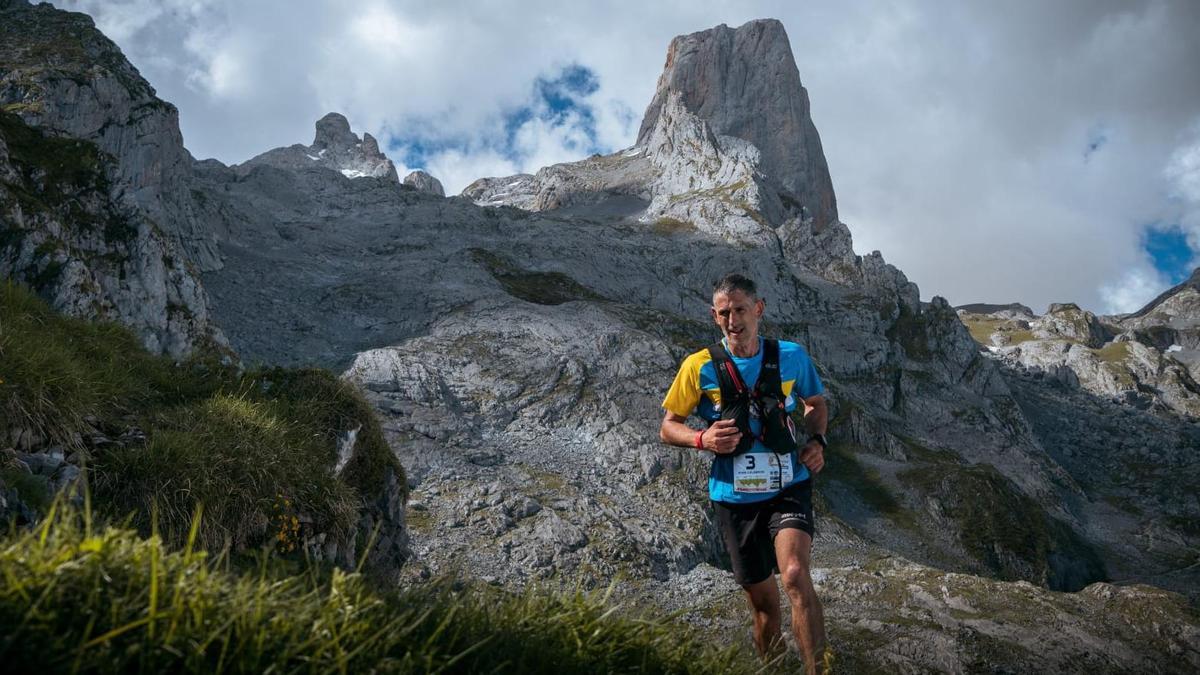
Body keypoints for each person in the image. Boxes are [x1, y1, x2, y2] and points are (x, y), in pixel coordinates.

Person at [659, 273, 831, 673]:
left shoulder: (791, 356)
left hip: (789, 485)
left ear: (758, 309)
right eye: (723, 313)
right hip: (734, 499)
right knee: (765, 608)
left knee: (793, 575)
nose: (732, 320)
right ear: (713, 316)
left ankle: (818, 671)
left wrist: (818, 441)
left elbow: (815, 402)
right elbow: (668, 426)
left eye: (739, 310)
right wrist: (702, 440)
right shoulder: (697, 366)